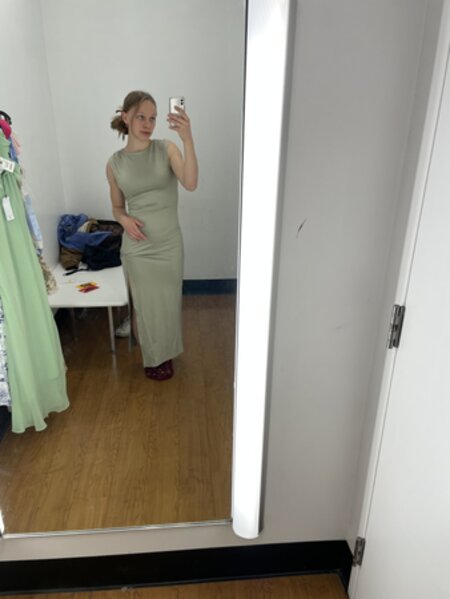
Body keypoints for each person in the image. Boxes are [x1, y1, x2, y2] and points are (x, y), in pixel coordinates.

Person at [106, 90, 198, 380]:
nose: (148, 124)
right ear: (126, 117)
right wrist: (123, 219)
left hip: (169, 244)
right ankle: (152, 357)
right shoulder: (114, 163)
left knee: (168, 304)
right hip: (138, 247)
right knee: (145, 308)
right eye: (141, 117)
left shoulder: (166, 149)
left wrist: (187, 139)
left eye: (153, 118)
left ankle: (165, 353)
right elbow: (117, 207)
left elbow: (191, 183)